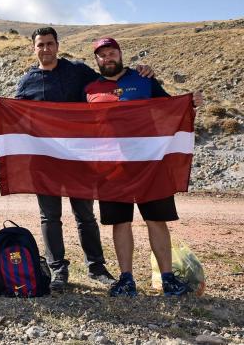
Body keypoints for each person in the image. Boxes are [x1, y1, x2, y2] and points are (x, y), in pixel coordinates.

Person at [85, 37, 203, 296]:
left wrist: (190, 102)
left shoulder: (144, 79)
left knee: (156, 219)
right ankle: (126, 279)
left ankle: (168, 278)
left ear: (120, 54)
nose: (108, 58)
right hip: (111, 166)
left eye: (112, 52)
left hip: (150, 163)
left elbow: (170, 107)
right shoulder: (90, 88)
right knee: (120, 222)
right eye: (102, 55)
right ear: (96, 60)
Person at [14, 26, 125, 290]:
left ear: (57, 45)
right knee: (49, 217)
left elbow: (109, 79)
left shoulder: (77, 70)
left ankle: (96, 267)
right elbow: (16, 116)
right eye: (40, 45)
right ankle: (58, 270)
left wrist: (138, 73)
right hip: (45, 161)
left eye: (50, 44)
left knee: (85, 214)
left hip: (79, 158)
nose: (46, 49)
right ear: (34, 48)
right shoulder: (27, 81)